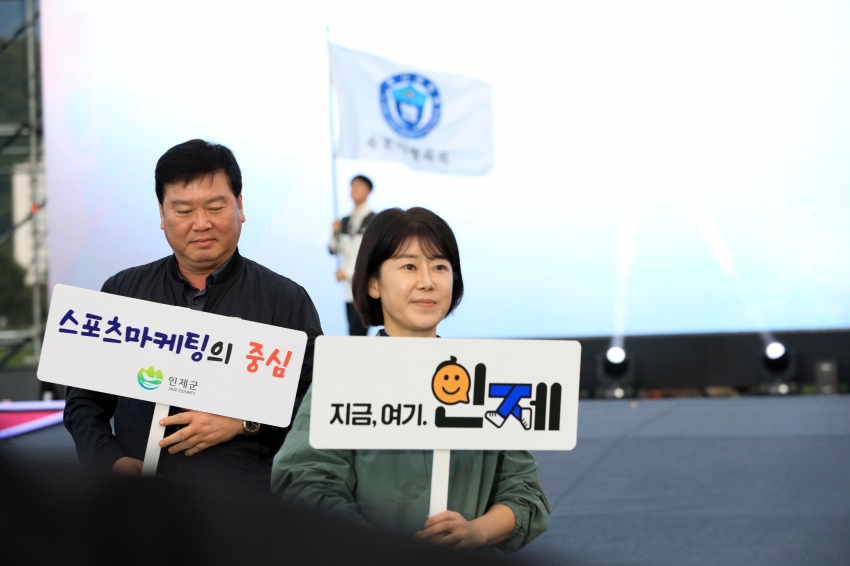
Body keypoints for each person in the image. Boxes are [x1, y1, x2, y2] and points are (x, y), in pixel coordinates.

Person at [271, 207, 550, 552]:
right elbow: (303, 483)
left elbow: (525, 493)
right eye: (409, 266)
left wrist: (474, 533)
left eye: (440, 267)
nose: (427, 281)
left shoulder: (486, 377)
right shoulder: (346, 373)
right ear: (373, 283)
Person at [64, 139, 323, 494]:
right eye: (183, 210)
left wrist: (244, 422)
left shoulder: (285, 299)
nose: (201, 223)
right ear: (162, 214)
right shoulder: (123, 292)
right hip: (141, 505)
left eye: (215, 207)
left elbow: (315, 401)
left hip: (248, 507)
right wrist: (110, 461)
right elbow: (83, 400)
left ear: (240, 206)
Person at [329, 175, 375, 336]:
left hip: (364, 288)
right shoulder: (345, 221)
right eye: (352, 186)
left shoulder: (374, 221)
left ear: (368, 191)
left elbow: (372, 256)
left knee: (358, 335)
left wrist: (348, 273)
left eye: (359, 186)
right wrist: (335, 233)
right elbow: (333, 249)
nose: (354, 189)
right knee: (352, 334)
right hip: (348, 290)